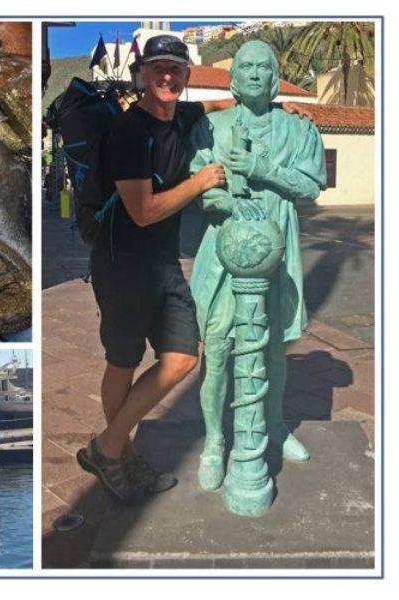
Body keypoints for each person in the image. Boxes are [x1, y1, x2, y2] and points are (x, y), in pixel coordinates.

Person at [75, 34, 312, 505]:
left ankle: (109, 446)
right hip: (123, 263)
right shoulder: (129, 132)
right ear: (141, 73)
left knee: (183, 357)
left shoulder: (185, 115)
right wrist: (204, 182)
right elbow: (143, 210)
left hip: (164, 265)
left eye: (176, 69)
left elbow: (233, 107)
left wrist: (277, 110)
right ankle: (118, 451)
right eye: (158, 68)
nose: (167, 76)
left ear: (186, 77)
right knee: (125, 361)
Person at [186, 40, 326, 491]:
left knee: (272, 350)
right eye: (244, 66)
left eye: (263, 67)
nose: (253, 73)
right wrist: (228, 202)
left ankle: (277, 425)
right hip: (225, 250)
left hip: (278, 249)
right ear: (231, 77)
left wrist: (261, 167)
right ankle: (213, 442)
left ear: (275, 77)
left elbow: (310, 186)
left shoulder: (299, 130)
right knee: (220, 348)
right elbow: (199, 186)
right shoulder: (210, 127)